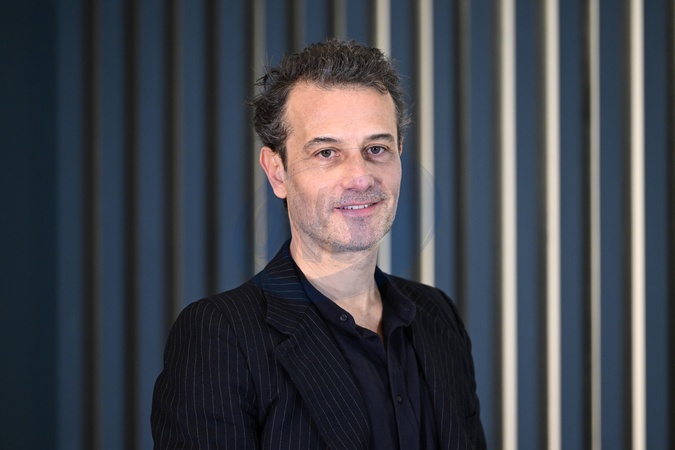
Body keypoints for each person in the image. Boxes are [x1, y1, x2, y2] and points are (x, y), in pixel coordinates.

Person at [151, 38, 486, 449]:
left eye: (376, 149)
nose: (360, 177)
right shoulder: (222, 336)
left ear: (399, 154)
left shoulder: (438, 316)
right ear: (277, 172)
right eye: (327, 152)